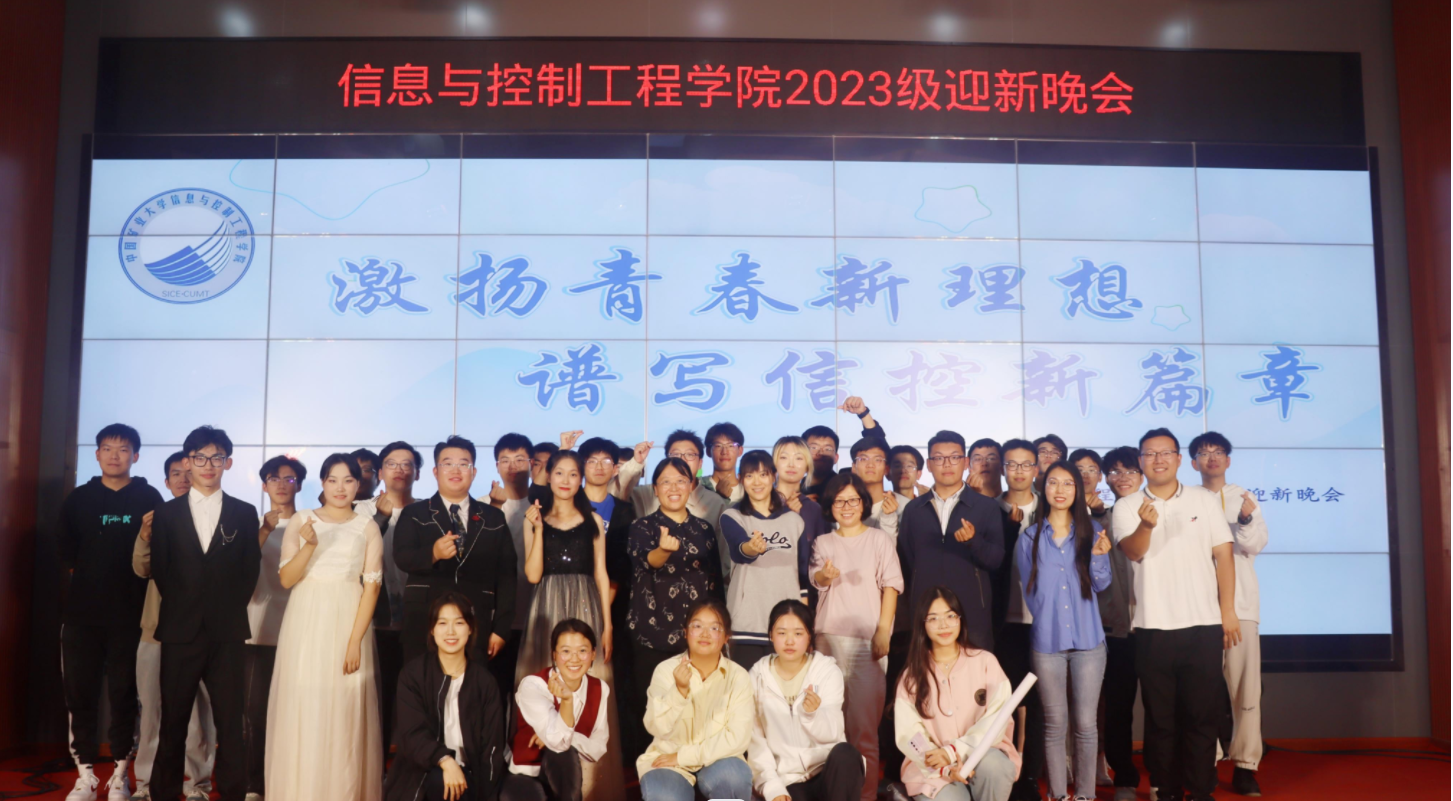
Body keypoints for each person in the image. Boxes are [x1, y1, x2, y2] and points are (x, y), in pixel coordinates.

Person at [1113, 429, 1239, 801]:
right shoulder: (1127, 505)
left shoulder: (1203, 499)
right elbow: (1133, 552)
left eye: (1165, 452)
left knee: (1202, 716)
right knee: (1160, 719)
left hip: (1203, 625)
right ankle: (1165, 790)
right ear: (1141, 461)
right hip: (1152, 628)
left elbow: (1224, 555)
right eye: (1150, 453)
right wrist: (1146, 525)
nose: (1158, 459)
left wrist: (1228, 611)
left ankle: (1201, 790)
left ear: (1180, 459)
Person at [149, 426, 261, 801]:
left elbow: (249, 571)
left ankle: (232, 793)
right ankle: (164, 794)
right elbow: (161, 570)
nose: (208, 464)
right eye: (200, 457)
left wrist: (222, 608)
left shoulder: (244, 512)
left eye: (216, 457)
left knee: (231, 723)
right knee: (173, 721)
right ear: (188, 462)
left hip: (227, 631)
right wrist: (187, 606)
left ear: (228, 462)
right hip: (179, 630)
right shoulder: (166, 513)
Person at [265, 453, 384, 800]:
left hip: (349, 621)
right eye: (332, 480)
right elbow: (287, 579)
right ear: (322, 483)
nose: (340, 488)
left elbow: (372, 588)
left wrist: (355, 642)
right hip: (305, 623)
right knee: (304, 704)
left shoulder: (367, 527)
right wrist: (310, 545)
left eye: (348, 480)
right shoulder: (302, 519)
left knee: (345, 710)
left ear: (358, 484)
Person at [58, 423, 165, 801]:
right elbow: (67, 554)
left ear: (135, 455)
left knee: (125, 694)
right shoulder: (79, 498)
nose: (114, 455)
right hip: (82, 616)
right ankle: (85, 775)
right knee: (80, 694)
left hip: (131, 616)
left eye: (123, 449)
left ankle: (120, 775)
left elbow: (158, 556)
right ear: (97, 454)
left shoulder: (149, 497)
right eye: (107, 448)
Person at [1016, 461, 1114, 801]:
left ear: (1078, 490)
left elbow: (1101, 584)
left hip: (1089, 642)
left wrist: (1099, 557)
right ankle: (1057, 795)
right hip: (1047, 643)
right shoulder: (1029, 537)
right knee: (1055, 724)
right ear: (1044, 488)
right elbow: (1031, 593)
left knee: (1086, 725)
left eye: (1068, 483)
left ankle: (1085, 795)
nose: (1060, 490)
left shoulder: (1093, 531)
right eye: (1053, 482)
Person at [393, 436, 517, 687]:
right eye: (448, 464)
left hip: (476, 622)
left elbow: (507, 575)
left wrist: (501, 629)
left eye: (463, 464)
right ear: (435, 472)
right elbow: (402, 557)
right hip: (423, 622)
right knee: (420, 691)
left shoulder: (493, 517)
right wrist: (432, 554)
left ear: (474, 472)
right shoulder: (415, 513)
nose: (456, 470)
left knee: (472, 693)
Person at [810, 474, 903, 801]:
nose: (846, 506)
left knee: (864, 730)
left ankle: (865, 796)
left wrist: (883, 631)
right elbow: (817, 579)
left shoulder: (879, 540)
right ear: (830, 506)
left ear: (863, 503)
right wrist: (826, 575)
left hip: (867, 643)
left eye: (853, 500)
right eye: (839, 501)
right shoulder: (823, 542)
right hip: (828, 642)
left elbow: (891, 586)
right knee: (826, 725)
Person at [132, 452, 216, 801]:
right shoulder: (160, 517)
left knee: (197, 715)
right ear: (166, 482)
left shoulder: (216, 515)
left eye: (188, 471)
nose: (183, 478)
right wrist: (144, 535)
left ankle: (196, 783)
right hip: (157, 630)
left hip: (203, 630)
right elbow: (141, 568)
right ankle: (146, 783)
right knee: (152, 712)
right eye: (175, 474)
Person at [1189, 432, 1268, 798]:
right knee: (1201, 691)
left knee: (1245, 690)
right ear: (1193, 462)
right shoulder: (1188, 499)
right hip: (1199, 608)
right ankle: (1206, 762)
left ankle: (1246, 767)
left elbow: (1256, 545)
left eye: (1218, 451)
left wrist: (1246, 520)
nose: (1212, 457)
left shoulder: (1244, 497)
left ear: (1228, 460)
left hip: (1242, 607)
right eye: (1204, 453)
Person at [894, 588, 1020, 801]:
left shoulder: (985, 662)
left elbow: (997, 721)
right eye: (934, 618)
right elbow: (910, 734)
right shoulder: (912, 676)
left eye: (950, 616)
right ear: (922, 624)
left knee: (996, 767)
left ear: (960, 619)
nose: (944, 625)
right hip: (934, 771)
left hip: (983, 756)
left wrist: (954, 751)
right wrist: (943, 764)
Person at [385, 592, 507, 801]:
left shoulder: (484, 682)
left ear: (470, 628)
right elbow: (413, 735)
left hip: (471, 775)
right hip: (422, 772)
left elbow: (492, 748)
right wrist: (446, 761)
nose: (451, 631)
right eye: (442, 623)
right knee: (440, 782)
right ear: (432, 630)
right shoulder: (413, 675)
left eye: (459, 623)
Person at [625, 457, 724, 714]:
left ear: (691, 486)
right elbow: (648, 561)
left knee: (697, 709)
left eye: (681, 481)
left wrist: (720, 629)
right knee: (652, 709)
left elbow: (715, 583)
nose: (674, 488)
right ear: (655, 489)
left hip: (698, 636)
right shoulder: (641, 526)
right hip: (651, 633)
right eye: (666, 482)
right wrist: (663, 550)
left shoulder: (704, 529)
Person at [898, 430, 1005, 651]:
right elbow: (907, 562)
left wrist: (974, 541)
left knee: (976, 670)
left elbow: (996, 560)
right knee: (926, 670)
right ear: (929, 464)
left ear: (965, 463)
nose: (947, 464)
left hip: (972, 612)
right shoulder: (913, 509)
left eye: (954, 457)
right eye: (939, 458)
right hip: (926, 612)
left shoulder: (986, 506)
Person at [637, 600, 754, 801]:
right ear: (685, 632)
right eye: (697, 626)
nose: (705, 634)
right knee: (663, 795)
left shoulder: (738, 676)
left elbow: (737, 737)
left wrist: (683, 756)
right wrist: (679, 692)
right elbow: (655, 726)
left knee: (733, 778)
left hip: (720, 758)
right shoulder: (666, 670)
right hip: (669, 758)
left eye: (714, 628)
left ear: (726, 637)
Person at [747, 600, 862, 801]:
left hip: (826, 771)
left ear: (810, 636)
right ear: (771, 635)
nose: (790, 641)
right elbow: (756, 744)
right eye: (782, 633)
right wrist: (774, 788)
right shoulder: (756, 677)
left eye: (798, 633)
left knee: (847, 755)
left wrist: (813, 715)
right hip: (787, 780)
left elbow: (834, 731)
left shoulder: (827, 671)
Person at [243, 454, 305, 800]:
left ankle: (291, 781)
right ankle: (255, 785)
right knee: (255, 715)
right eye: (274, 478)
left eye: (289, 478)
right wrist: (263, 532)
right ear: (264, 485)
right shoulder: (250, 527)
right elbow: (238, 569)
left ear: (299, 485)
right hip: (258, 629)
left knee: (296, 712)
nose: (282, 484)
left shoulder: (310, 525)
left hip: (301, 630)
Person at [575, 437, 641, 761]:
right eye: (592, 460)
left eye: (606, 461)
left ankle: (618, 755)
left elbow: (621, 564)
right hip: (572, 600)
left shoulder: (625, 510)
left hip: (616, 606)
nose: (599, 467)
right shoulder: (568, 502)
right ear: (581, 466)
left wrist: (604, 612)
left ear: (616, 468)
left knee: (615, 680)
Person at [357, 440, 423, 751]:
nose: (400, 470)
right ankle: (377, 764)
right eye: (392, 464)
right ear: (380, 472)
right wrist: (379, 519)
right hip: (375, 620)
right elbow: (353, 557)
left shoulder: (427, 510)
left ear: (418, 473)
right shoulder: (360, 510)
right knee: (377, 697)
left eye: (407, 464)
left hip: (418, 620)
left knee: (415, 696)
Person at [504, 619, 611, 801]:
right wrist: (567, 702)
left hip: (563, 776)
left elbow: (598, 748)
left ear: (593, 654)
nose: (574, 659)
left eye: (582, 651)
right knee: (563, 749)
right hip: (525, 773)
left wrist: (567, 738)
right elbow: (558, 741)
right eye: (566, 651)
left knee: (565, 752)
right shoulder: (533, 685)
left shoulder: (600, 688)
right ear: (554, 654)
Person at [991, 440, 1044, 801]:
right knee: (1003, 702)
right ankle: (1003, 773)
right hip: (1002, 621)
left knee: (1039, 704)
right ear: (1003, 469)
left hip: (1043, 621)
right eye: (1012, 464)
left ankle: (1030, 778)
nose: (1019, 471)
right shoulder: (987, 510)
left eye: (1027, 465)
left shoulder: (1051, 507)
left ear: (1036, 469)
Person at [720, 450, 806, 668]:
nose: (756, 482)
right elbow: (739, 550)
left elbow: (803, 575)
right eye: (749, 476)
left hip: (787, 626)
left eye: (763, 474)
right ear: (741, 479)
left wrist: (804, 624)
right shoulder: (732, 516)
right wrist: (752, 547)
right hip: (745, 625)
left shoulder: (794, 520)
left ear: (773, 476)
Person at [1097, 447, 1143, 801]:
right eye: (1114, 471)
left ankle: (1162, 778)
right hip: (1115, 629)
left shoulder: (1163, 512)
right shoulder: (1101, 521)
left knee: (1163, 709)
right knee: (1117, 709)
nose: (1122, 477)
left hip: (1158, 626)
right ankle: (1124, 776)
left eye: (1129, 470)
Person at [490, 432, 538, 694]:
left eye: (520, 459)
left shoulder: (542, 505)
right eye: (505, 460)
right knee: (496, 690)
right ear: (497, 466)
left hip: (536, 611)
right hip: (497, 618)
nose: (512, 466)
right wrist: (495, 508)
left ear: (531, 464)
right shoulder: (485, 505)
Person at [773, 436, 824, 598]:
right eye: (784, 457)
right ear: (774, 464)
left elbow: (818, 559)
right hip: (767, 589)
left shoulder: (814, 510)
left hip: (804, 595)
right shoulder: (760, 503)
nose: (791, 464)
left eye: (799, 458)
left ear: (807, 467)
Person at [849, 437, 899, 538]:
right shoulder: (842, 505)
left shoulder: (904, 505)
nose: (870, 465)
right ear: (854, 467)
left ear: (886, 469)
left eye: (877, 460)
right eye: (863, 459)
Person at [700, 422, 746, 503]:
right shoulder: (698, 486)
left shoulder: (749, 490)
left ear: (740, 451)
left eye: (730, 446)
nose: (724, 452)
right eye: (718, 446)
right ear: (708, 451)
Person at [1068, 449, 1110, 524]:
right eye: (1080, 470)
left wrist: (1099, 513)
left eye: (1091, 470)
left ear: (1100, 477)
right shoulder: (1061, 507)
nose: (1085, 476)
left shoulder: (1107, 512)